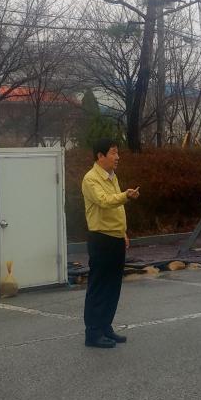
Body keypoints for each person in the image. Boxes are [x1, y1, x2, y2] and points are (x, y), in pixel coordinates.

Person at [81, 138, 140, 348]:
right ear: (100, 156)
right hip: (101, 239)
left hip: (115, 238)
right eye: (113, 152)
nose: (117, 157)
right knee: (99, 286)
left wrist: (123, 232)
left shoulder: (112, 176)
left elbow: (116, 209)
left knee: (113, 286)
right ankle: (93, 333)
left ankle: (105, 327)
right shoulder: (91, 179)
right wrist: (126, 195)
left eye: (117, 152)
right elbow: (105, 201)